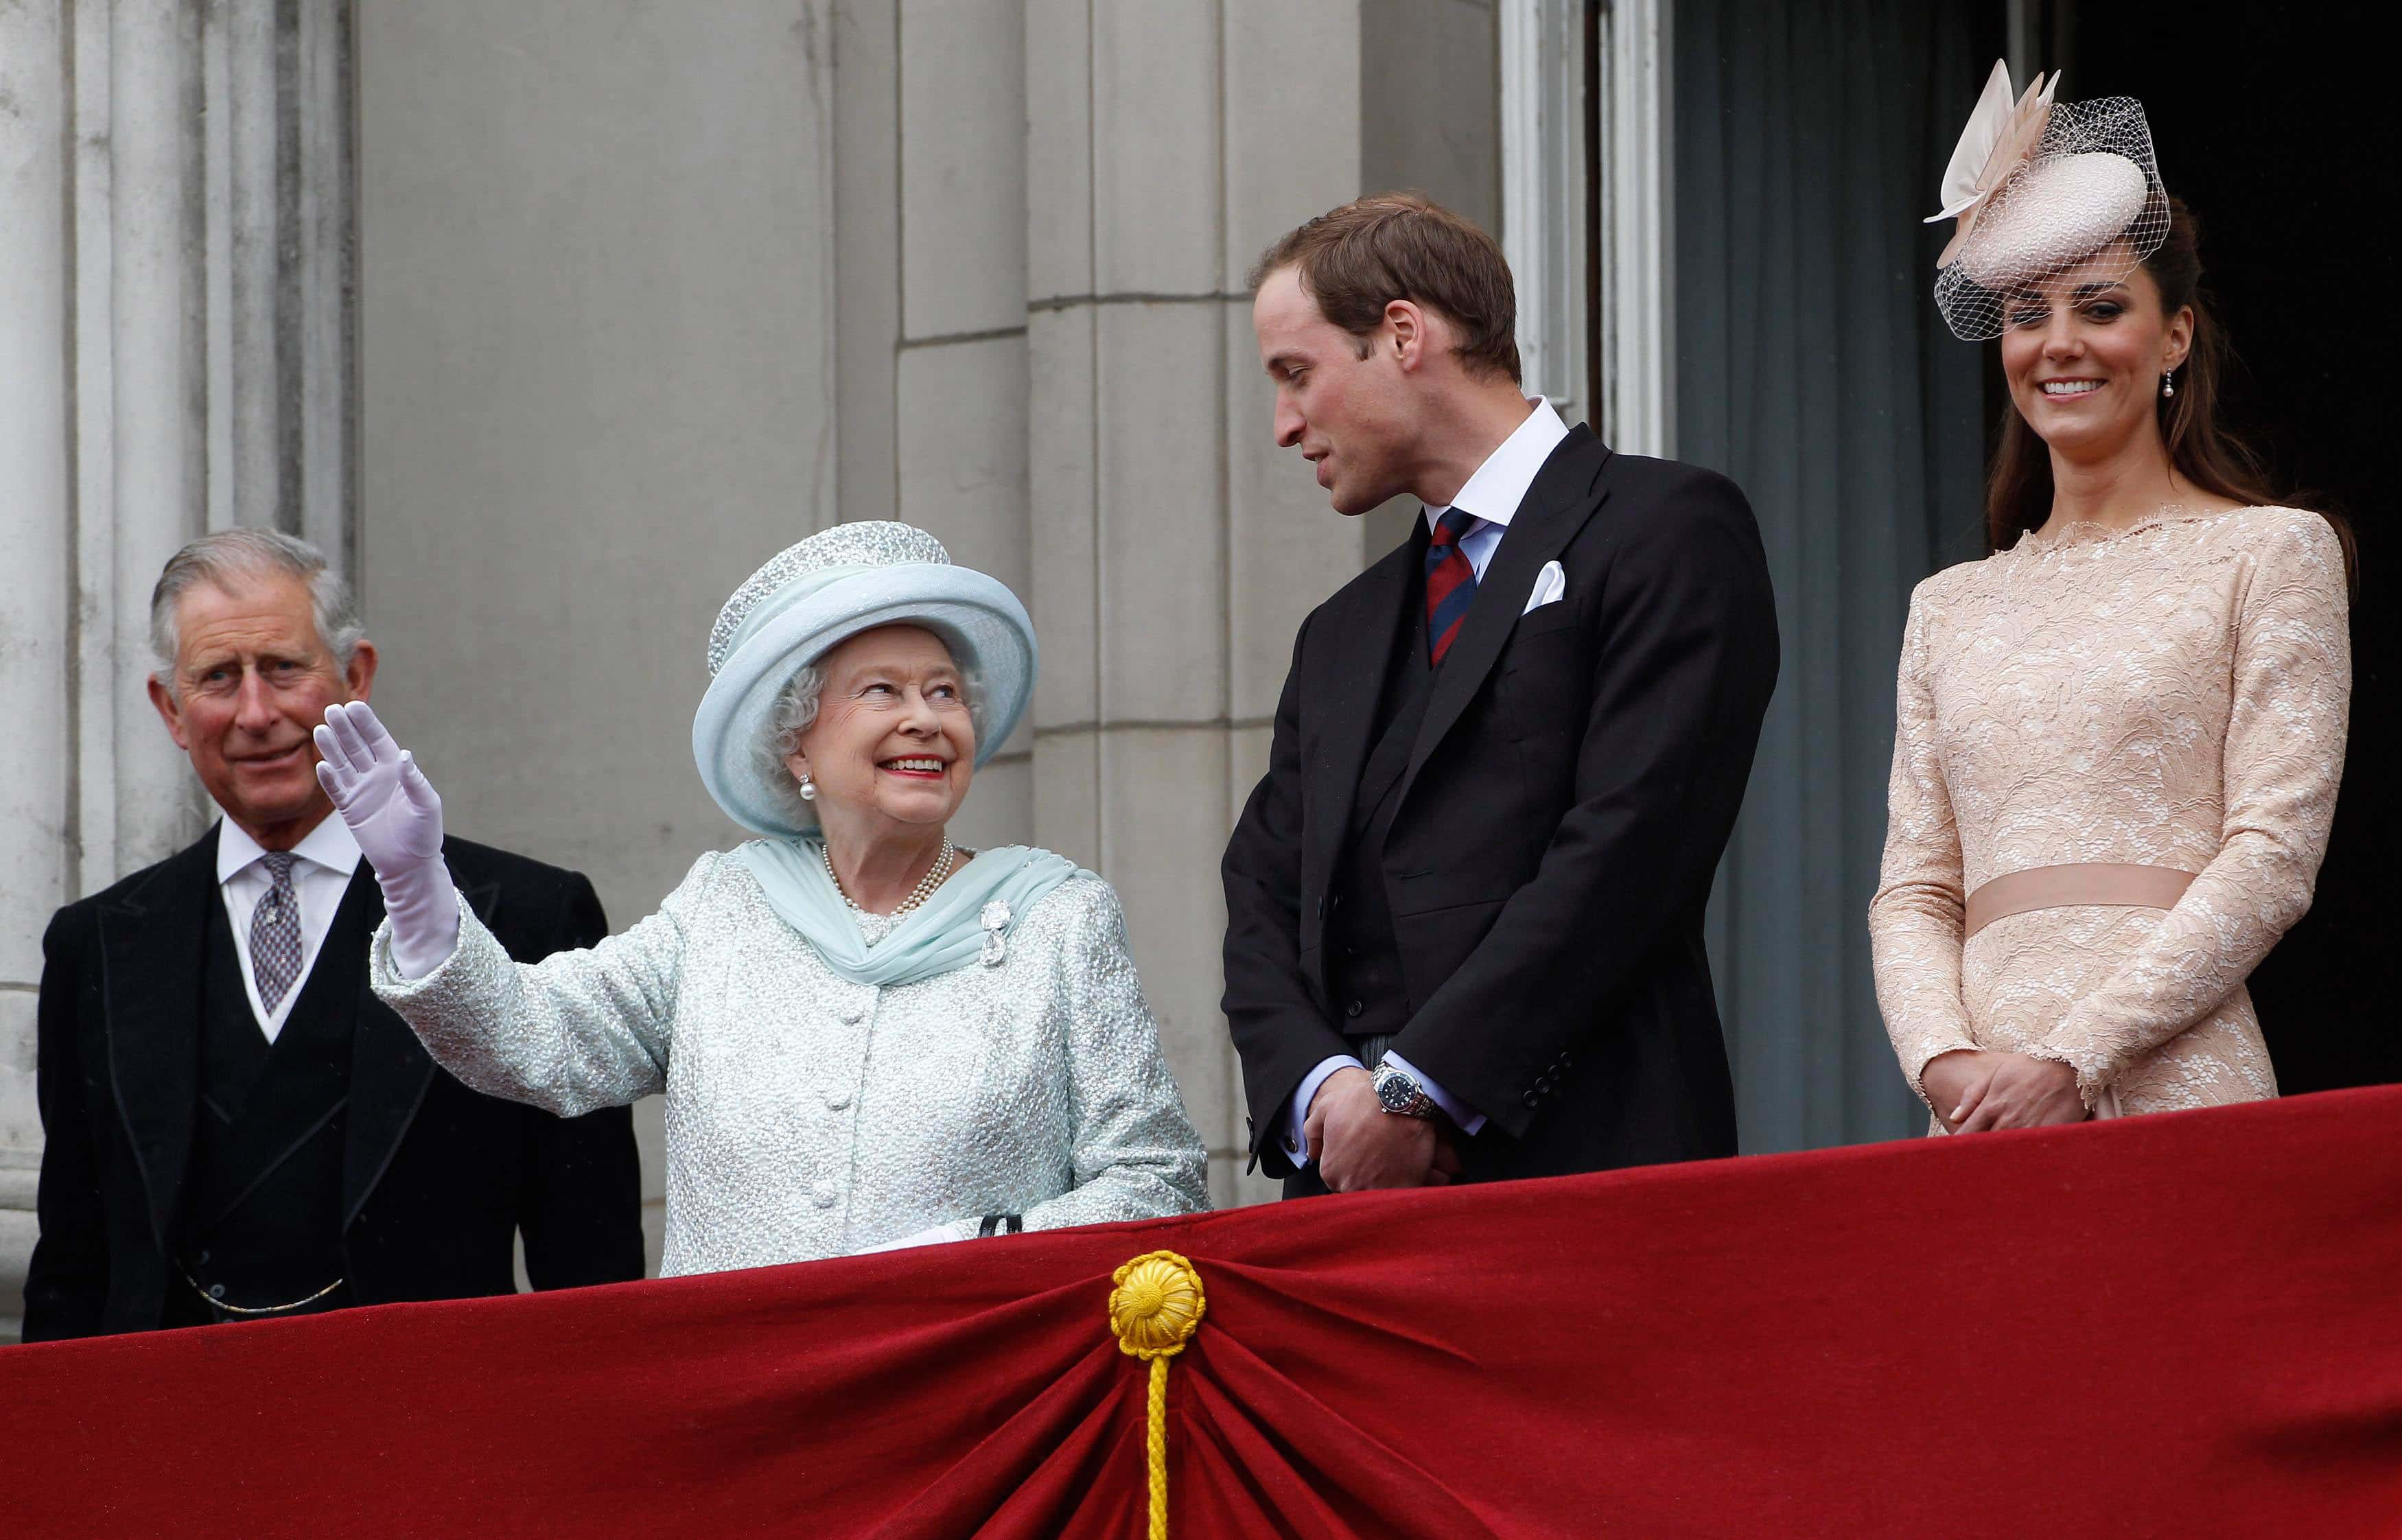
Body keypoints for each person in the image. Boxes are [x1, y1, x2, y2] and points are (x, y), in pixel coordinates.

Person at [316, 522, 1207, 1274]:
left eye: (945, 693)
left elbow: (1156, 1178)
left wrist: (983, 1246)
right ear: (798, 747)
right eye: (883, 692)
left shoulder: (1059, 920)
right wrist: (415, 882)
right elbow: (535, 1041)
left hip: (971, 1403)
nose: (927, 719)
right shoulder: (722, 911)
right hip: (743, 1411)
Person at [1222, 194, 1780, 1196]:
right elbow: (1262, 897)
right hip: (1347, 1210)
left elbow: (1629, 847)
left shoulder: (1667, 530)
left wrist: (1417, 1093)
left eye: (1296, 375)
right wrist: (1327, 1099)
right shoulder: (1338, 633)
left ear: (1402, 334)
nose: (1284, 425)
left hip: (1596, 1185)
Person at [1871, 66, 2353, 1133]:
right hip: (1984, 1114)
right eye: (2026, 315)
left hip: (2178, 1081)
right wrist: (1947, 1064)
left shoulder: (2271, 552)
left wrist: (2074, 1057)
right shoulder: (1948, 606)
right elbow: (1914, 890)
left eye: (2100, 307)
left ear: (2174, 336)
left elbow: (2274, 856)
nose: (2060, 344)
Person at [24, 530, 643, 1341]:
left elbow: (588, 1254)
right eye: (217, 678)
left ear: (356, 677)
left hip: (430, 1425)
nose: (256, 712)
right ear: (170, 710)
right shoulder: (97, 944)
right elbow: (76, 1257)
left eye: (284, 667)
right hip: (177, 1431)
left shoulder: (524, 914)